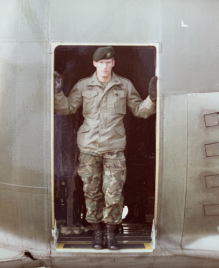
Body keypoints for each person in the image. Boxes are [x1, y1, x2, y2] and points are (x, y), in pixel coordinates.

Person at [54, 46, 157, 250]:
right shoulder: (83, 86)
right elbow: (67, 107)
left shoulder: (124, 86)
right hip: (89, 149)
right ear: (95, 64)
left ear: (113, 64)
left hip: (114, 150)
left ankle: (110, 234)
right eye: (101, 63)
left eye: (108, 63)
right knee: (92, 193)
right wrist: (57, 92)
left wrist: (152, 99)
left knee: (114, 194)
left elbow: (139, 111)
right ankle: (97, 234)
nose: (104, 66)